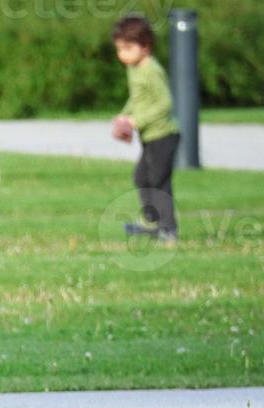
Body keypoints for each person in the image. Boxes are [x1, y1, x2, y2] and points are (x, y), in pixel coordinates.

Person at [111, 16, 180, 244]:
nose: (123, 55)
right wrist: (125, 115)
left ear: (146, 46)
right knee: (142, 177)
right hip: (150, 136)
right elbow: (137, 98)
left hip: (164, 135)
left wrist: (136, 121)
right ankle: (152, 222)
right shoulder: (135, 68)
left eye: (128, 48)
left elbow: (165, 103)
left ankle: (168, 229)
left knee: (159, 180)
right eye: (120, 49)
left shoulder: (152, 70)